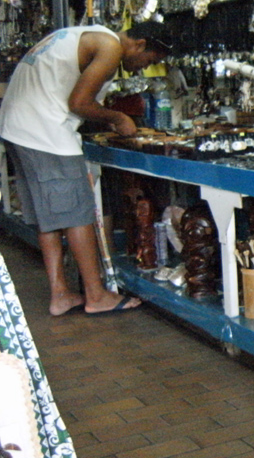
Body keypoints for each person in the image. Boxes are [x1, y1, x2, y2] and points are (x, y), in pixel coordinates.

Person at [0, 22, 173, 316]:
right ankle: (95, 294)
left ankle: (61, 295)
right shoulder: (110, 47)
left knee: (49, 216)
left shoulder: (84, 33)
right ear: (140, 44)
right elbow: (79, 103)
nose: (141, 69)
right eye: (150, 61)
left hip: (16, 126)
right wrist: (117, 118)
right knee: (78, 214)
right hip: (44, 131)